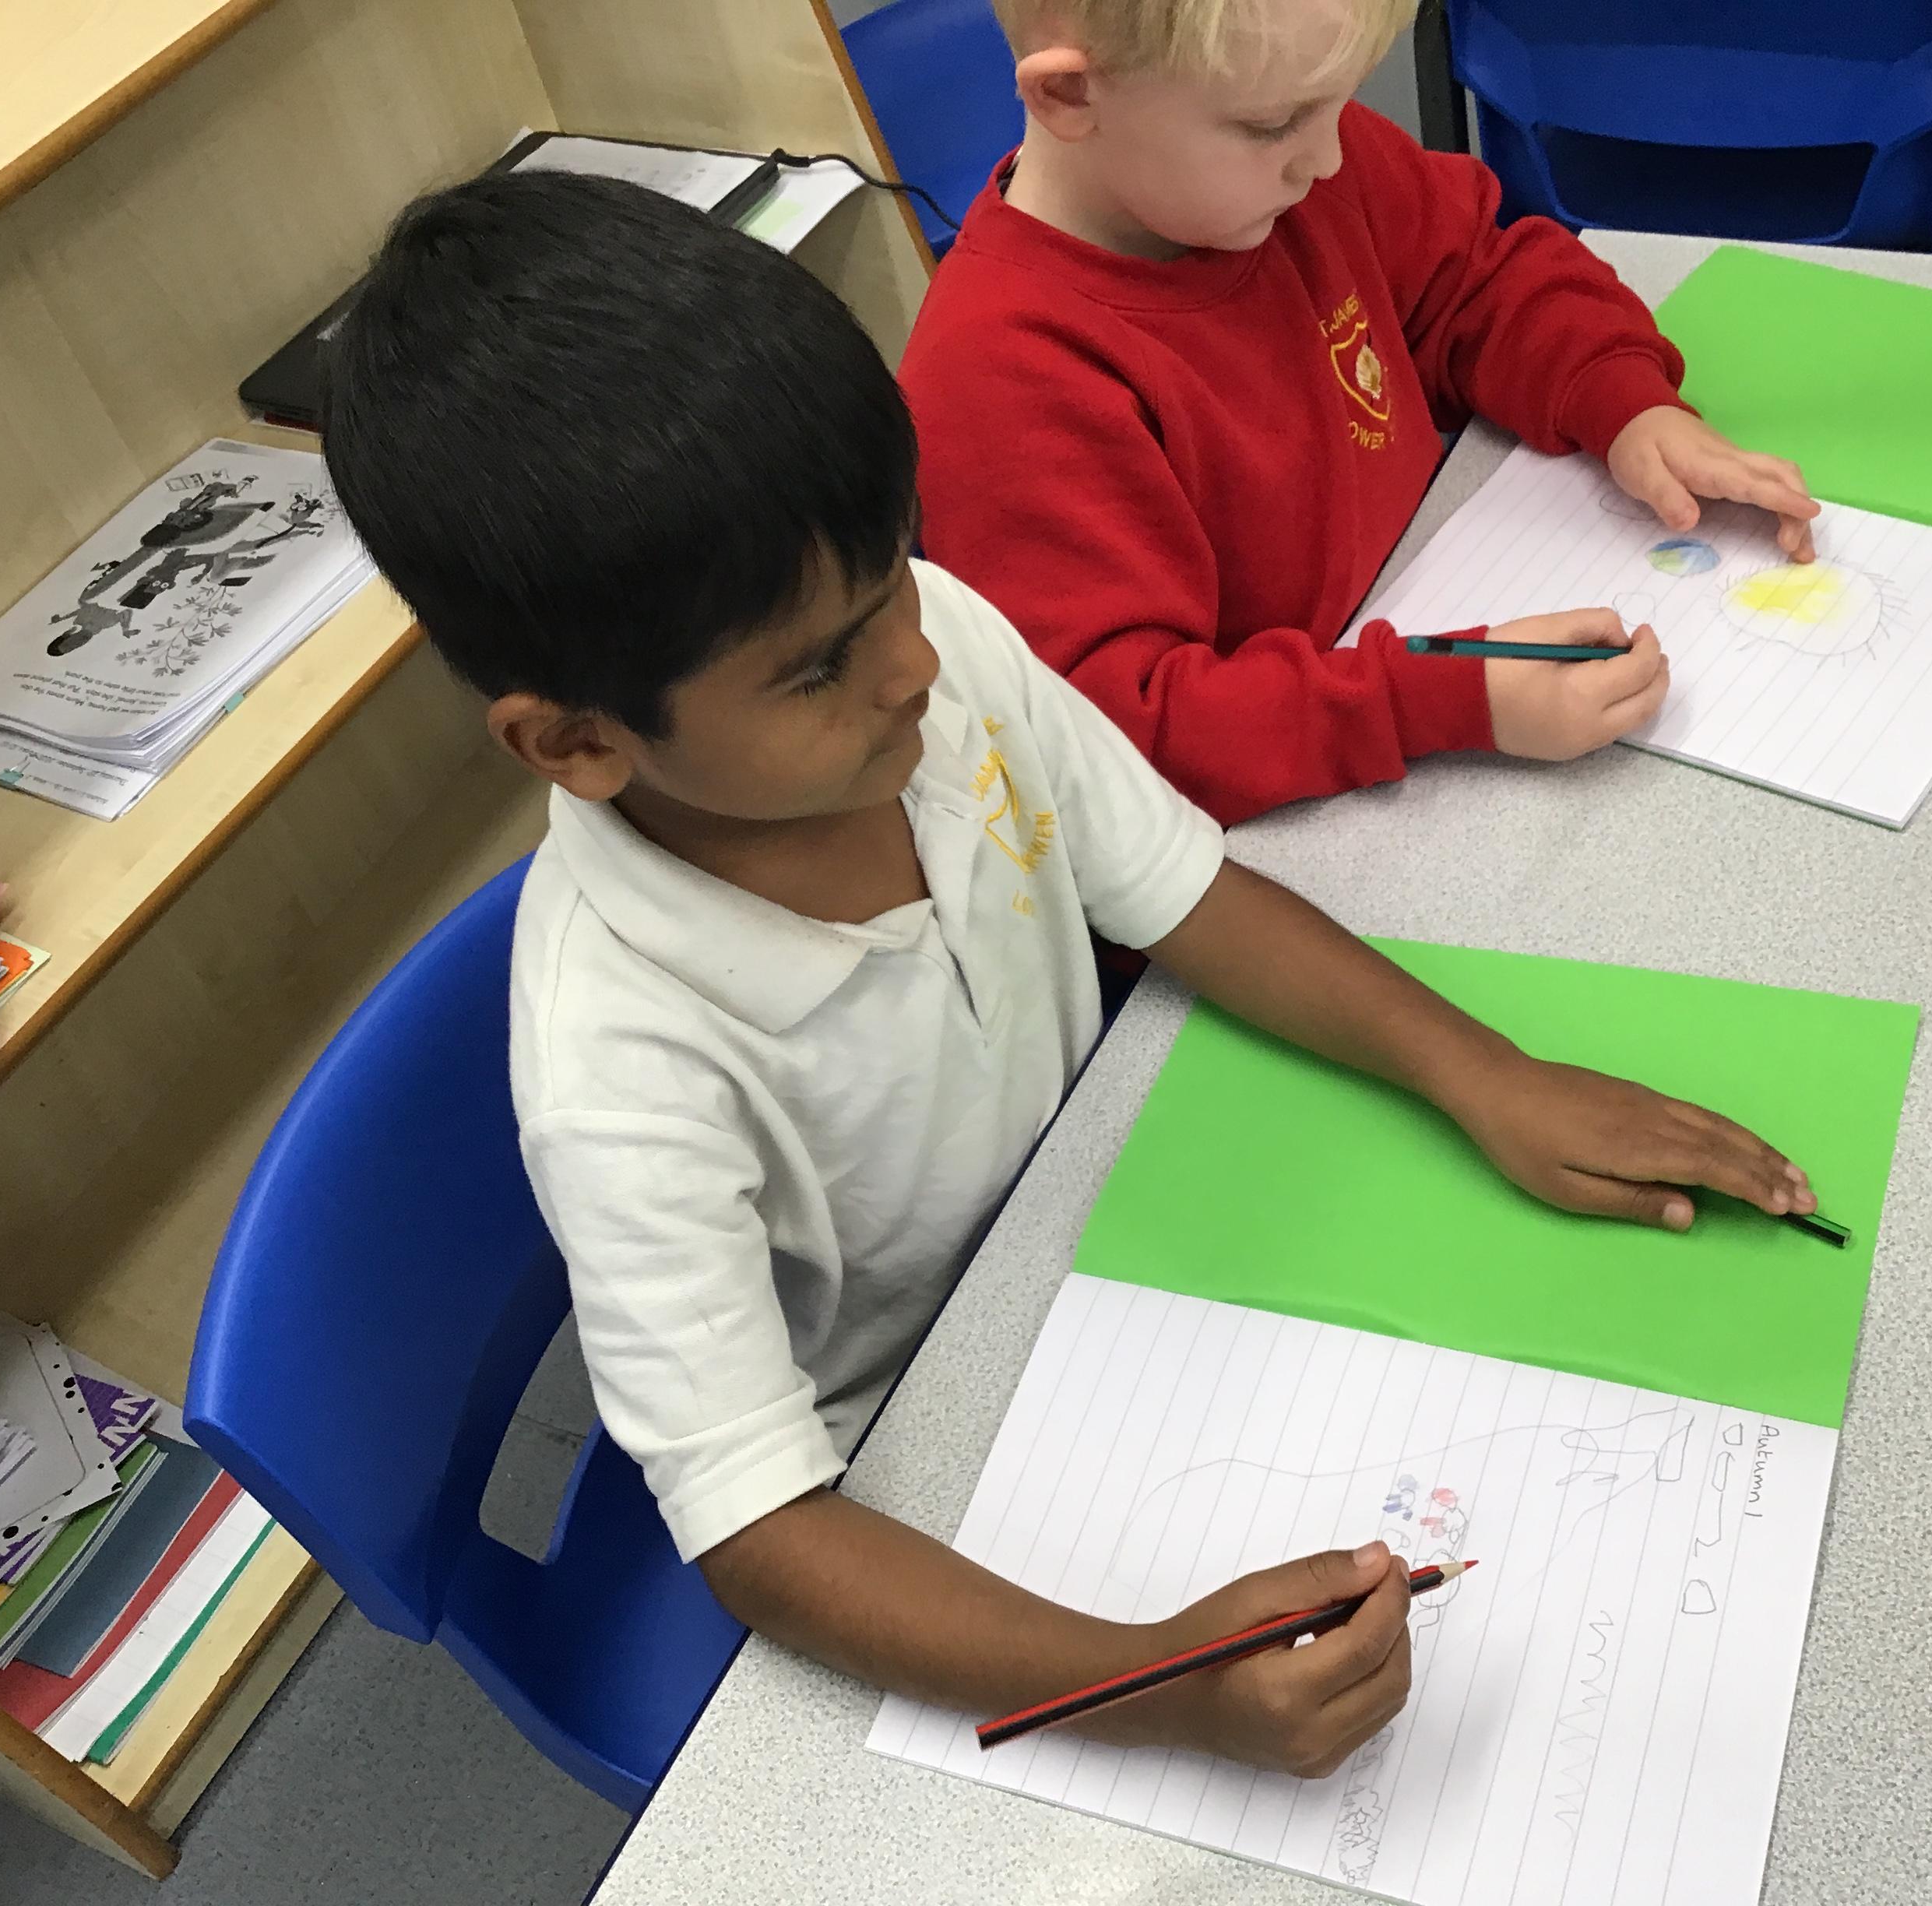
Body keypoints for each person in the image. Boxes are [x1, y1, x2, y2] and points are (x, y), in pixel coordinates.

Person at [323, 171, 1817, 1777]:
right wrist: (1158, 1688)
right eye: (819, 666)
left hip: (1109, 1231)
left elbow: (1182, 893)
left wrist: (1485, 1072)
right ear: (576, 743)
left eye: (896, 571)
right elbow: (760, 1533)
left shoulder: (936, 654)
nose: (913, 658)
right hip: (924, 1442)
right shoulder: (619, 1055)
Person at [901, 0, 1821, 825]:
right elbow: (1117, 734)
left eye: (1339, 103)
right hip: (1275, 840)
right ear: (1070, 96)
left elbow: (1479, 279)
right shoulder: (999, 375)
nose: (1331, 158)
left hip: (1416, 689)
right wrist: (1436, 696)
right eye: (1273, 125)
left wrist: (1626, 406)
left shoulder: (1291, 172)